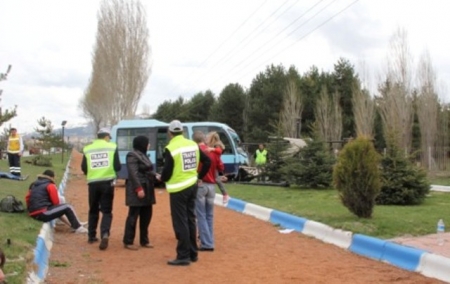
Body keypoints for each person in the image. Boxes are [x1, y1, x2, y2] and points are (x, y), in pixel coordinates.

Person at [159, 120, 211, 266]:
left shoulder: (170, 148)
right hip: (192, 185)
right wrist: (199, 177)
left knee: (180, 221)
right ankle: (193, 253)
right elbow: (207, 161)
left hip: (178, 188)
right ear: (182, 131)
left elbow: (167, 171)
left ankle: (183, 256)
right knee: (190, 219)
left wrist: (161, 178)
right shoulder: (192, 144)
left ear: (170, 133)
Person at [81, 128, 121, 250]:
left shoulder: (87, 148)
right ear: (107, 136)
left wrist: (93, 173)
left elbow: (84, 167)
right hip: (107, 183)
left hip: (93, 184)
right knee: (107, 211)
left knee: (93, 210)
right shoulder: (112, 147)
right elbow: (117, 166)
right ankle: (104, 233)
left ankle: (91, 236)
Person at [123, 136, 157, 250]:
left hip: (148, 188)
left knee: (147, 215)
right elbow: (133, 173)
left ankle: (144, 240)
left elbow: (149, 170)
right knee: (133, 215)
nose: (149, 145)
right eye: (147, 143)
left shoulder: (144, 155)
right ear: (142, 144)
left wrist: (156, 176)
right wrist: (138, 189)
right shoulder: (132, 155)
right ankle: (128, 241)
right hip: (137, 190)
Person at [194, 131, 224, 252]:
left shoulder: (196, 150)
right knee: (209, 215)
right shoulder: (213, 151)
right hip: (212, 186)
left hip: (201, 184)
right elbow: (221, 167)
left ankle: (206, 243)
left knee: (200, 215)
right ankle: (209, 240)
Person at [205, 131, 229, 204]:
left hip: (215, 164)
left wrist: (212, 149)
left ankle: (225, 194)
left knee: (216, 179)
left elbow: (219, 151)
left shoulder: (217, 145)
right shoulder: (211, 145)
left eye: (208, 138)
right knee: (214, 178)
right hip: (213, 164)